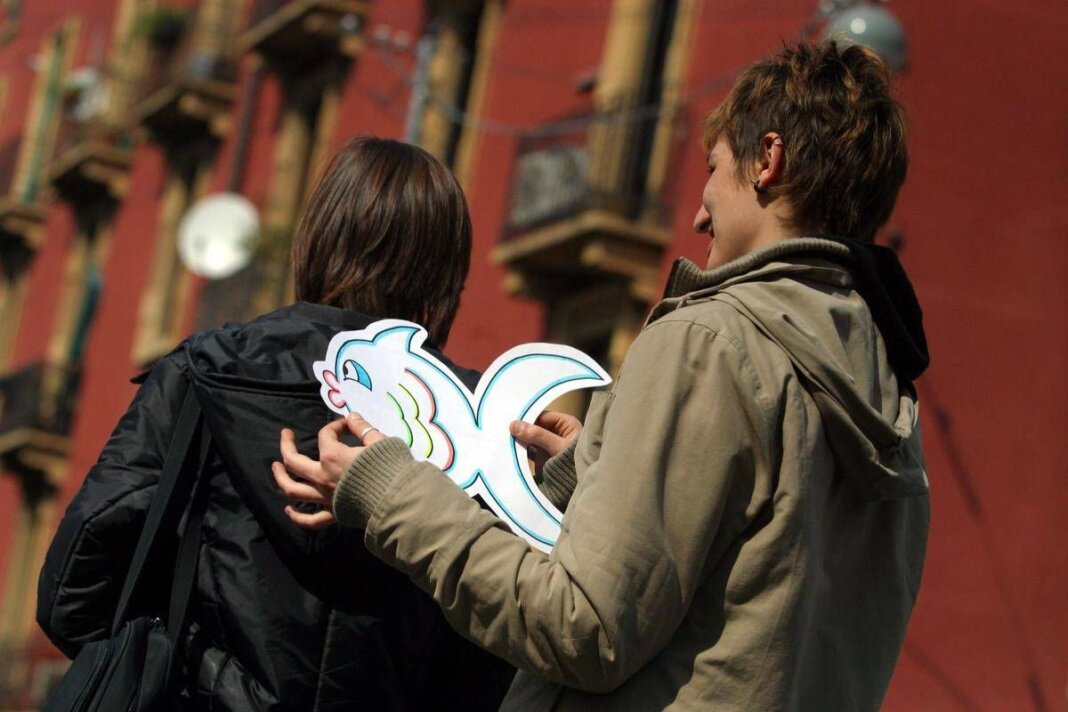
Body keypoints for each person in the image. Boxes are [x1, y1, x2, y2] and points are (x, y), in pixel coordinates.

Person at [275, 42, 930, 711]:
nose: (700, 214)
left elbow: (580, 628)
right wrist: (598, 476)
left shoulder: (709, 343)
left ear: (768, 160)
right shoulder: (891, 411)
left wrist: (391, 491)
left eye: (713, 169)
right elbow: (747, 599)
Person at [37, 137, 515, 711]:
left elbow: (74, 591)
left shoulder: (206, 371)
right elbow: (499, 645)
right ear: (445, 271)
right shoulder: (477, 421)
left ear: (319, 237)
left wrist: (192, 666)